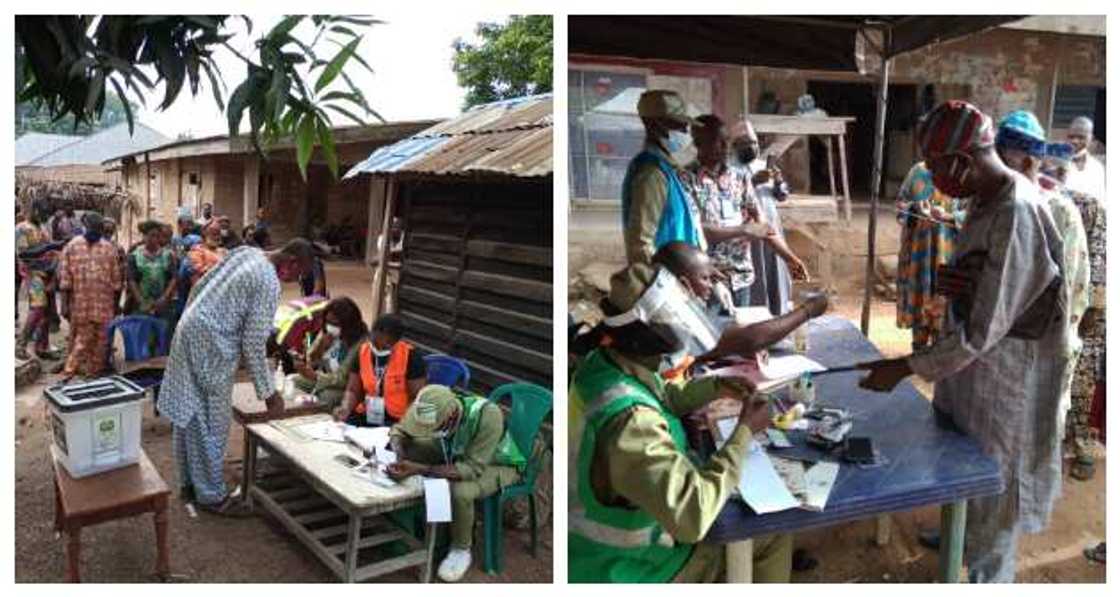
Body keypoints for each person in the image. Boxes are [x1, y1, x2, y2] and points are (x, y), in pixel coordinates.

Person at [858, 101, 1068, 583]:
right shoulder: (984, 196)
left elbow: (985, 328)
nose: (934, 179)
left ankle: (988, 576)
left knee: (994, 479)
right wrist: (963, 280)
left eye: (935, 168)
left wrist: (903, 367)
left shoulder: (1017, 209)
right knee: (960, 459)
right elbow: (996, 279)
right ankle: (959, 532)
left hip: (1005, 368)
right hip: (975, 362)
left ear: (962, 161)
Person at [569, 252, 828, 583]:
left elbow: (658, 396)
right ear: (645, 337)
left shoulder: (602, 363)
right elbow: (693, 517)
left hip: (598, 552)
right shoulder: (632, 424)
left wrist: (716, 386)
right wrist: (745, 431)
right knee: (769, 533)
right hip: (632, 569)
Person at [157, 239, 317, 514]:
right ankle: (212, 497)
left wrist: (192, 320)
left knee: (190, 410)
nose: (294, 281)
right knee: (212, 422)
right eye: (298, 274)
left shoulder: (247, 253)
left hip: (190, 328)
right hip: (210, 343)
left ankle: (189, 484)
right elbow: (253, 342)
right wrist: (269, 394)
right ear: (290, 263)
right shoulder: (268, 281)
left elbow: (200, 286)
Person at [995, 111, 1091, 471]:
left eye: (1005, 159)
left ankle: (1005, 525)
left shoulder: (1058, 212)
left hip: (1039, 345)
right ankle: (974, 524)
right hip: (1002, 346)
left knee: (1028, 440)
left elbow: (1071, 292)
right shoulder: (997, 203)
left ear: (1030, 161)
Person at [385, 385, 526, 582]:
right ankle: (415, 524)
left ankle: (461, 549)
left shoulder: (488, 416)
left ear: (451, 416)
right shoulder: (427, 403)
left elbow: (471, 469)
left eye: (433, 426)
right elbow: (399, 431)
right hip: (454, 451)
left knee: (461, 491)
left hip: (496, 463)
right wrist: (400, 454)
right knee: (411, 447)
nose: (427, 430)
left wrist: (420, 468)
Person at [686, 114, 808, 310]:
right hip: (708, 280)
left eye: (727, 141)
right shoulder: (685, 179)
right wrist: (744, 230)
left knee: (742, 331)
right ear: (699, 143)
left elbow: (761, 226)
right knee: (713, 338)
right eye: (719, 142)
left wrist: (791, 259)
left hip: (742, 278)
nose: (726, 147)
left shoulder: (738, 177)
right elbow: (697, 231)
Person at [1043, 144, 1107, 480]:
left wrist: (1091, 311)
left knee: (1080, 382)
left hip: (1086, 307)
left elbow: (1098, 260)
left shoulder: (1089, 207)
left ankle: (1081, 446)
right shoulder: (1036, 203)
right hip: (1053, 310)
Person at [622, 90, 706, 265]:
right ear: (654, 124)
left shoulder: (668, 168)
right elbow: (641, 244)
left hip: (685, 274)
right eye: (677, 124)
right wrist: (661, 282)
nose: (685, 131)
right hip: (669, 279)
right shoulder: (652, 174)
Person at [894, 160, 966, 349]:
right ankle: (918, 347)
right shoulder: (918, 171)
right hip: (919, 251)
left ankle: (938, 348)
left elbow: (976, 214)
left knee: (943, 299)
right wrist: (914, 208)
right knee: (920, 296)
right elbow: (900, 204)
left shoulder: (962, 173)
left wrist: (949, 216)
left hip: (949, 254)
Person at [732, 119, 799, 316]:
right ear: (735, 146)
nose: (751, 146)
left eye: (753, 141)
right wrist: (752, 182)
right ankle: (757, 321)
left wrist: (778, 182)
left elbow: (782, 195)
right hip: (748, 237)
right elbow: (732, 198)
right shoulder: (730, 170)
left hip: (771, 231)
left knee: (775, 274)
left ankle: (777, 317)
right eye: (745, 143)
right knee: (755, 278)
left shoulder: (763, 165)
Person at [58, 213, 123, 379]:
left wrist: (116, 306)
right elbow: (65, 279)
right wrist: (64, 305)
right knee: (81, 342)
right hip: (81, 305)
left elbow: (116, 281)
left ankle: (92, 376)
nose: (94, 231)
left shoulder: (109, 249)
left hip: (104, 306)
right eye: (91, 228)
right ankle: (68, 373)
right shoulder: (72, 246)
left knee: (101, 345)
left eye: (98, 229)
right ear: (85, 226)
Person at [333, 313, 426, 427]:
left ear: (396, 341)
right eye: (375, 342)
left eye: (386, 345)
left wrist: (404, 427)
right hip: (368, 414)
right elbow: (353, 389)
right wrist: (345, 407)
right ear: (372, 334)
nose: (378, 348)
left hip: (397, 420)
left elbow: (417, 397)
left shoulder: (411, 356)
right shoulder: (363, 351)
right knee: (342, 430)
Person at [291, 297, 367, 408]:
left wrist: (315, 377)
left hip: (347, 387)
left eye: (335, 323)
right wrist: (320, 348)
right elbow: (311, 362)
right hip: (326, 379)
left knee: (326, 396)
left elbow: (342, 379)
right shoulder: (327, 333)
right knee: (292, 381)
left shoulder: (360, 344)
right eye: (327, 322)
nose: (330, 326)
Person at [16, 201, 63, 361]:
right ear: (34, 210)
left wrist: (54, 265)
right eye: (42, 214)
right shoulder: (22, 228)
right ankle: (21, 345)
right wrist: (48, 247)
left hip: (48, 273)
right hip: (33, 273)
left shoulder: (42, 227)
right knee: (37, 308)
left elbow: (55, 252)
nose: (44, 217)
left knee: (48, 313)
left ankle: (42, 347)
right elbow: (23, 254)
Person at [128, 220, 179, 325]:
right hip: (141, 304)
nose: (154, 239)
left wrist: (164, 298)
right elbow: (131, 280)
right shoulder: (135, 255)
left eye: (156, 236)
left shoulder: (168, 255)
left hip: (162, 304)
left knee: (161, 336)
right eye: (150, 236)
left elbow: (173, 278)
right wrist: (141, 301)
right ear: (144, 236)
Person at [1063, 116, 1105, 199]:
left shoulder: (1097, 168)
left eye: (1081, 137)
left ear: (1091, 139)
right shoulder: (1056, 162)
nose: (1074, 141)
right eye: (1071, 137)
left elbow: (1101, 201)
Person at [187, 220, 228, 285]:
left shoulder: (224, 251)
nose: (217, 237)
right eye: (214, 234)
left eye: (218, 234)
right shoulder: (197, 251)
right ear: (204, 234)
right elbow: (197, 275)